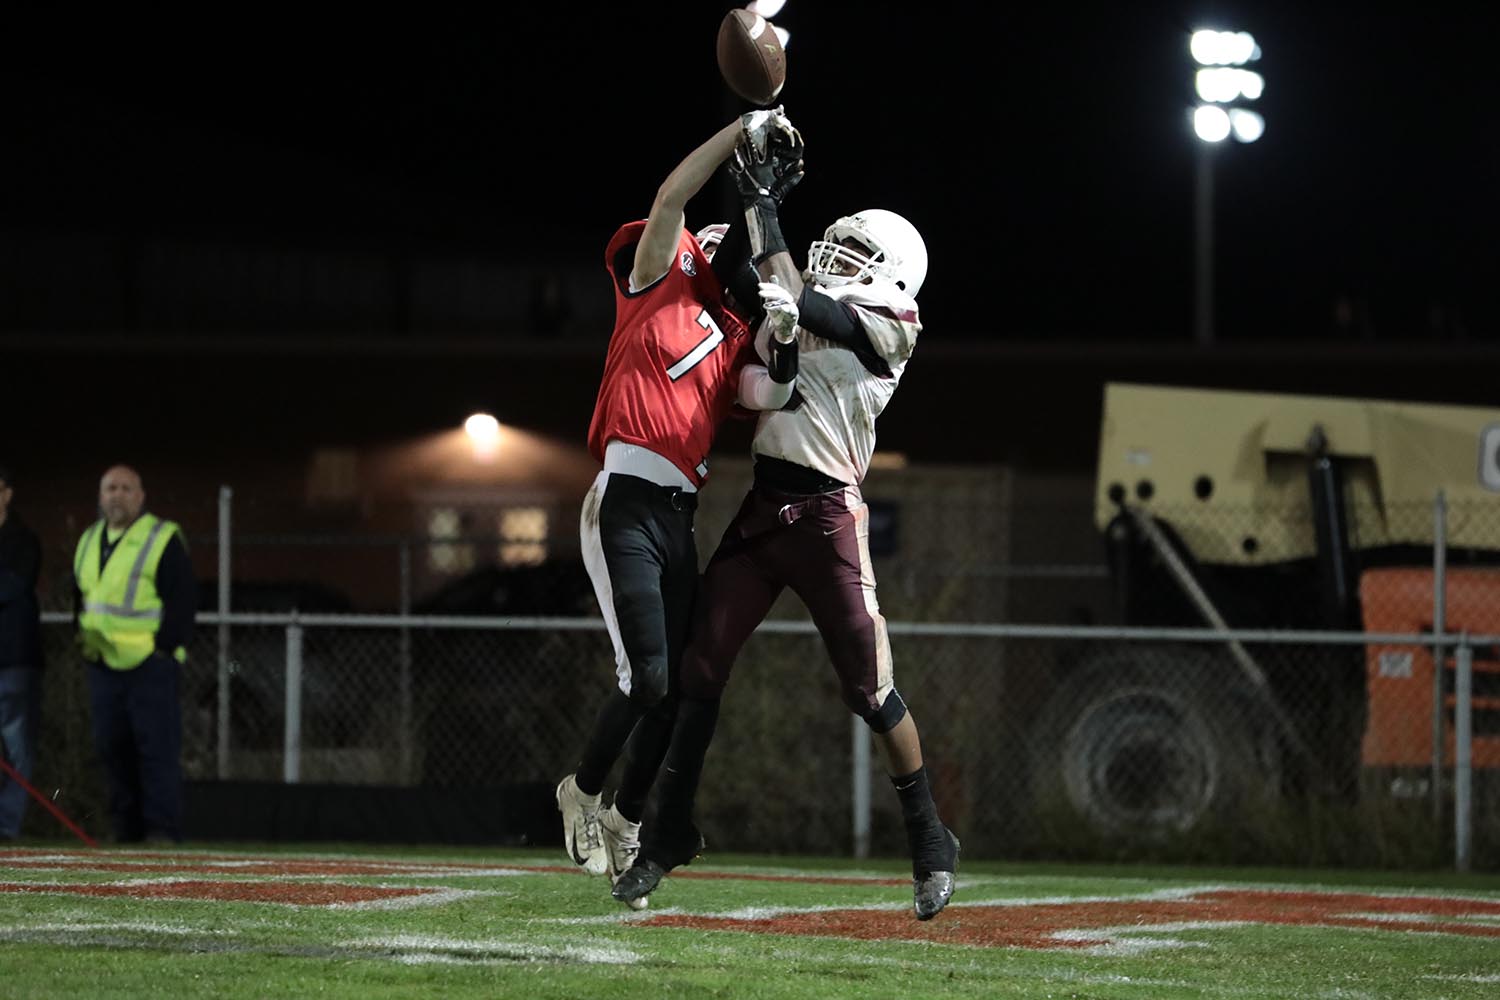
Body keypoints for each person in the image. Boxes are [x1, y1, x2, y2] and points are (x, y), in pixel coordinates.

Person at [613, 131, 960, 920]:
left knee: (870, 690)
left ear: (896, 271)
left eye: (858, 252)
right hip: (766, 504)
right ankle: (666, 833)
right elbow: (774, 286)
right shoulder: (808, 298)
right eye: (837, 246)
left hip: (829, 515)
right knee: (699, 668)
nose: (839, 258)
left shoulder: (894, 325)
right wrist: (760, 202)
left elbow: (816, 308)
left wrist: (773, 240)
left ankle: (931, 840)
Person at [556, 110, 804, 907]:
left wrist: (789, 333)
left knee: (684, 680)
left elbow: (778, 389)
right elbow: (669, 199)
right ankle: (581, 791)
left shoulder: (734, 335)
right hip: (625, 498)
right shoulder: (657, 278)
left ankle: (629, 814)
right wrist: (741, 129)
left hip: (677, 513)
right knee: (649, 677)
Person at [73, 465, 196, 844]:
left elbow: (183, 599)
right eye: (110, 487)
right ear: (100, 495)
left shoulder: (161, 537)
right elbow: (82, 596)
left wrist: (163, 649)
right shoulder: (90, 538)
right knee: (112, 749)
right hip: (104, 665)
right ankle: (125, 830)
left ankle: (161, 829)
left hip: (149, 665)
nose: (117, 495)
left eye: (126, 488)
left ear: (141, 497)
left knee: (156, 750)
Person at [0, 463, 43, 841]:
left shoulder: (23, 542)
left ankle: (6, 825)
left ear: (7, 492)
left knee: (16, 745)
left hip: (13, 660)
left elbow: (12, 588)